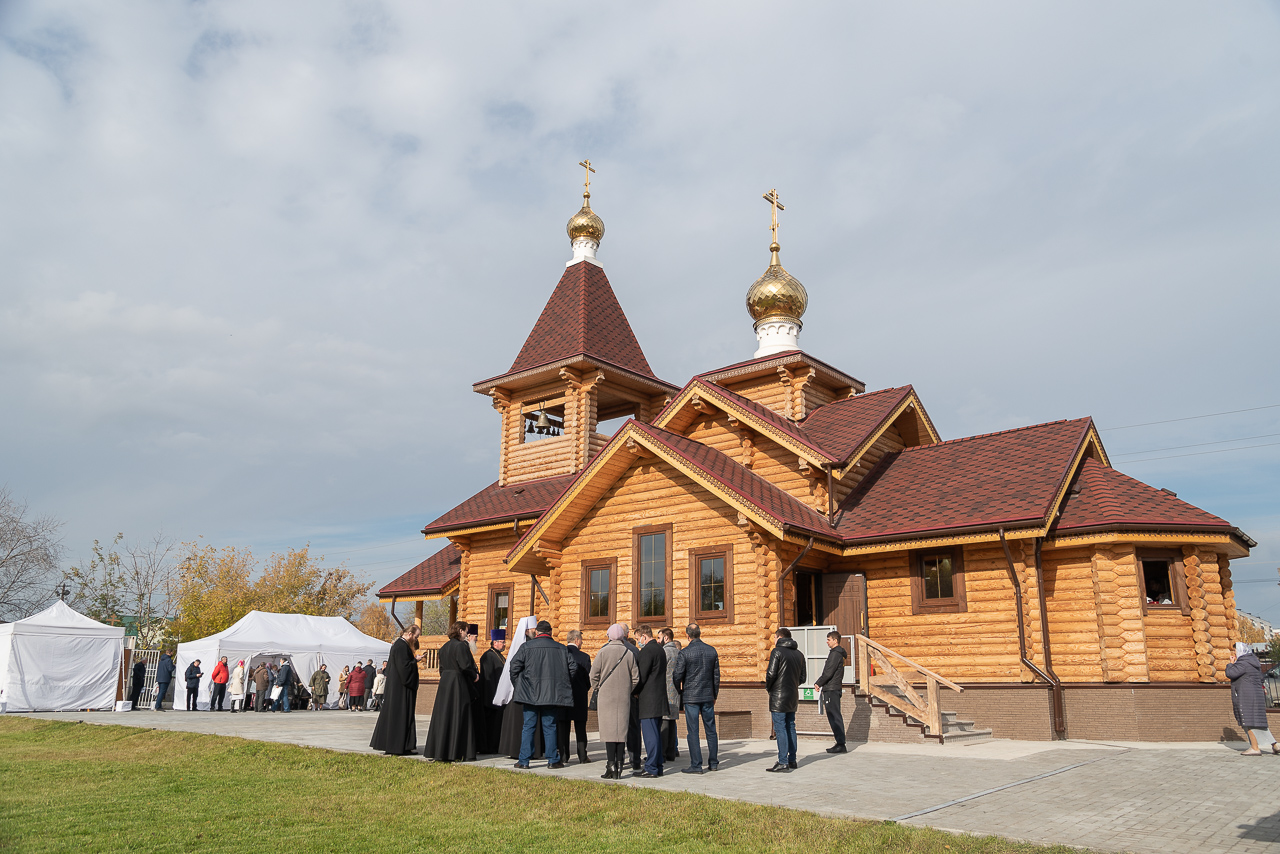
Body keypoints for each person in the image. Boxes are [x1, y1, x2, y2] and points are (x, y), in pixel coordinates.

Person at [508, 619, 576, 770]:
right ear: (550, 633)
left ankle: (524, 761)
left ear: (537, 632)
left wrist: (520, 685)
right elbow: (573, 668)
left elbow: (514, 667)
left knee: (528, 727)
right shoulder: (561, 648)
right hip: (551, 694)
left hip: (530, 694)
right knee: (550, 726)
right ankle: (552, 760)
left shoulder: (526, 647)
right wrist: (561, 683)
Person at [423, 621, 479, 762]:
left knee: (443, 715)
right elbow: (465, 665)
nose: (467, 634)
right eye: (466, 631)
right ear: (460, 631)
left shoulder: (444, 647)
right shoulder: (460, 646)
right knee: (458, 714)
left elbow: (441, 668)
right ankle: (457, 751)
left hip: (445, 682)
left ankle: (440, 750)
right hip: (457, 682)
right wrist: (475, 675)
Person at [591, 623, 640, 780]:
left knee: (609, 732)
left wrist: (598, 687)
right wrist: (627, 689)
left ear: (609, 636)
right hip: (624, 697)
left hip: (606, 697)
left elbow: (593, 675)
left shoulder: (603, 652)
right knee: (621, 732)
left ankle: (610, 764)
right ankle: (619, 765)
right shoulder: (629, 653)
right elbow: (635, 678)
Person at [370, 624, 424, 755]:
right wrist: (415, 660)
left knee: (396, 715)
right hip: (400, 689)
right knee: (400, 715)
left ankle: (400, 745)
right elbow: (404, 668)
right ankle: (398, 746)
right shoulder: (401, 646)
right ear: (410, 634)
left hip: (397, 687)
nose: (416, 640)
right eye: (416, 637)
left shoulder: (400, 645)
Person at [673, 623, 720, 774]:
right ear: (699, 633)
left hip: (691, 696)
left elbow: (677, 675)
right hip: (707, 695)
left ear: (687, 636)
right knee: (711, 730)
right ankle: (713, 763)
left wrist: (679, 690)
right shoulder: (711, 651)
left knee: (693, 731)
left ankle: (696, 765)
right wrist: (714, 695)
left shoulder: (685, 653)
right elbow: (716, 676)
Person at [496, 618, 544, 760]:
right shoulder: (525, 646)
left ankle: (523, 751)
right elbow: (515, 668)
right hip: (525, 689)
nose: (535, 632)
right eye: (533, 629)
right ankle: (527, 751)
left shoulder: (530, 645)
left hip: (521, 689)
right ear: (527, 631)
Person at [765, 628, 805, 773]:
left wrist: (769, 688)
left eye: (775, 637)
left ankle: (783, 761)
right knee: (790, 726)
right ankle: (792, 759)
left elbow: (771, 674)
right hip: (792, 695)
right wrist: (792, 686)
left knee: (780, 727)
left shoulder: (777, 652)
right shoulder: (799, 654)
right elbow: (803, 678)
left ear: (780, 637)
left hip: (778, 696)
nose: (774, 640)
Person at [1228, 642, 1278, 756]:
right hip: (1256, 694)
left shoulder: (1243, 663)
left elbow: (1230, 673)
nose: (1234, 653)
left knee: (1248, 721)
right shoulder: (1254, 662)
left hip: (1246, 695)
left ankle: (1255, 748)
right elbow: (1260, 678)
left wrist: (1231, 664)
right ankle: (1275, 745)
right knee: (1258, 721)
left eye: (1235, 651)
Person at [633, 624, 670, 778]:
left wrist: (634, 692)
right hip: (659, 697)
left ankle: (651, 767)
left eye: (637, 639)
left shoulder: (647, 651)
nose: (637, 642)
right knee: (656, 732)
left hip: (648, 699)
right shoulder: (660, 649)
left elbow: (640, 676)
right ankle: (657, 765)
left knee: (650, 735)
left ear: (644, 636)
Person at [559, 629, 592, 764]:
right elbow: (587, 678)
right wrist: (584, 688)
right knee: (580, 728)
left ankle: (564, 756)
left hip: (562, 696)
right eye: (581, 640)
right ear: (577, 640)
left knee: (563, 727)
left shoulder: (560, 654)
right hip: (579, 696)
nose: (582, 643)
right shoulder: (584, 657)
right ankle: (582, 756)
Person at [813, 631, 848, 753]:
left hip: (832, 689)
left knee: (834, 716)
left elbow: (828, 672)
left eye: (829, 639)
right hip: (833, 688)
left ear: (835, 640)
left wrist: (818, 683)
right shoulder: (838, 653)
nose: (827, 642)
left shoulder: (835, 654)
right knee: (834, 715)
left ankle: (840, 744)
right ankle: (840, 742)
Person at [476, 630, 507, 754]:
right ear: (495, 642)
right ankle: (488, 747)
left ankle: (495, 746)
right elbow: (488, 679)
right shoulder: (488, 656)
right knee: (490, 725)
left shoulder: (499, 655)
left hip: (498, 695)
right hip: (491, 697)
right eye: (503, 642)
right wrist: (493, 699)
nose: (505, 644)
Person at [660, 629, 681, 762]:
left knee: (664, 723)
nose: (658, 640)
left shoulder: (665, 652)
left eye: (659, 637)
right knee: (672, 722)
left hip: (665, 690)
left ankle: (662, 754)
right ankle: (671, 752)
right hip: (675, 690)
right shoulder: (678, 652)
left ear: (666, 638)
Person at [624, 633, 642, 771]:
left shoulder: (605, 649)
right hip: (632, 694)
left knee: (616, 728)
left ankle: (616, 759)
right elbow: (637, 676)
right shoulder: (634, 650)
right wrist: (634, 690)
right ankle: (635, 759)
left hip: (614, 696)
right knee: (633, 727)